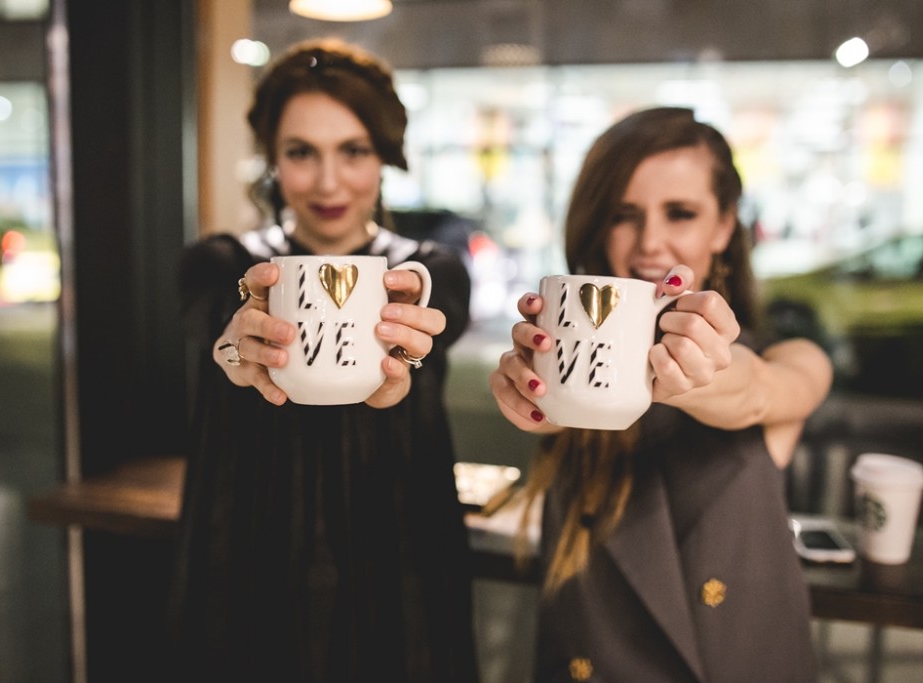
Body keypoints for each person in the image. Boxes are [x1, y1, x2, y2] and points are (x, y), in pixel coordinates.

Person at [168, 38, 479, 683]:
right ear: (273, 162)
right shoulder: (226, 263)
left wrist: (406, 337)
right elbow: (213, 323)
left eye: (354, 151)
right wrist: (236, 346)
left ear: (385, 157)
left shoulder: (426, 269)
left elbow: (436, 306)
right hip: (250, 548)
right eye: (301, 153)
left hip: (397, 550)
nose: (329, 182)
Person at [489, 107, 832, 682]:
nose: (650, 242)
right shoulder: (567, 364)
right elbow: (541, 409)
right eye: (625, 215)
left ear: (724, 227)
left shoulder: (786, 357)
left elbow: (757, 391)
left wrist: (691, 374)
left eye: (681, 213)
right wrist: (531, 390)